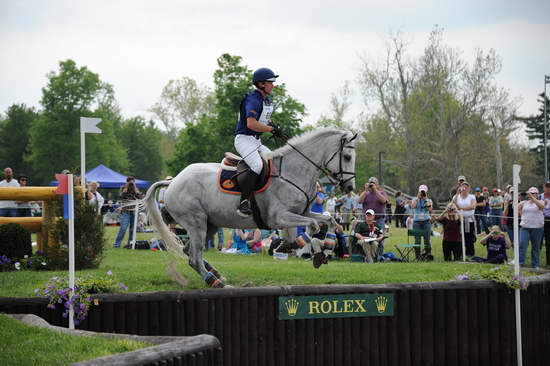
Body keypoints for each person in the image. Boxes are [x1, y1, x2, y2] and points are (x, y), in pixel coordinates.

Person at [234, 67, 283, 217]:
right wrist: (270, 129)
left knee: (275, 160)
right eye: (270, 82)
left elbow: (263, 120)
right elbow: (251, 124)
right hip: (243, 139)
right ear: (261, 84)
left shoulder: (264, 100)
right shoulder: (253, 99)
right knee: (257, 165)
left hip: (256, 141)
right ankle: (244, 202)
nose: (272, 85)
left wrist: (274, 127)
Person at [358, 177, 388, 255]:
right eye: (370, 183)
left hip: (379, 219)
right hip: (367, 220)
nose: (372, 185)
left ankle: (379, 255)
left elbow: (384, 201)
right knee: (367, 237)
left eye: (374, 183)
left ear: (377, 185)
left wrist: (375, 190)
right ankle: (367, 254)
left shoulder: (382, 192)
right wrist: (365, 190)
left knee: (380, 237)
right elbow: (359, 201)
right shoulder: (366, 193)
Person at [518, 187, 545, 268]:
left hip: (537, 228)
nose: (531, 195)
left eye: (533, 193)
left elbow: (542, 206)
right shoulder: (524, 203)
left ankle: (535, 264)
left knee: (535, 247)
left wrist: (533, 198)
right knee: (522, 245)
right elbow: (516, 208)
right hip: (525, 227)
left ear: (537, 194)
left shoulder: (540, 201)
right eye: (530, 193)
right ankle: (520, 262)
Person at [113, 177, 142, 248]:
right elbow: (121, 197)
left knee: (132, 229)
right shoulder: (123, 188)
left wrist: (136, 190)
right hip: (126, 211)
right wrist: (125, 189)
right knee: (123, 228)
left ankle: (130, 244)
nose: (131, 183)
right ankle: (117, 244)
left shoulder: (136, 189)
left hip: (134, 211)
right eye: (130, 182)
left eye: (132, 182)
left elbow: (140, 197)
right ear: (127, 182)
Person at [453, 181, 477, 257]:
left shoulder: (472, 196)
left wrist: (461, 208)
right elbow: (453, 204)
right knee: (458, 237)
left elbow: (473, 206)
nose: (464, 188)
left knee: (469, 238)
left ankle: (470, 254)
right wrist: (457, 193)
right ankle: (459, 254)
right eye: (463, 187)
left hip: (468, 221)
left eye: (466, 187)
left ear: (469, 188)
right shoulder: (456, 197)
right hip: (458, 220)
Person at [410, 184, 433, 259]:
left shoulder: (429, 200)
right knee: (417, 240)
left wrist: (425, 199)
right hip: (417, 222)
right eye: (421, 191)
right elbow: (413, 206)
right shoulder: (414, 199)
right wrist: (418, 198)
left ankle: (428, 255)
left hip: (426, 222)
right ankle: (418, 256)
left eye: (424, 192)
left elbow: (430, 209)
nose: (422, 193)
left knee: (427, 239)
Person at [540, 182, 550, 267]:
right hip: (540, 220)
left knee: (548, 242)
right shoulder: (540, 196)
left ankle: (548, 262)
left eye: (549, 187)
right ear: (544, 187)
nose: (548, 188)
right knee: (538, 242)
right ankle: (536, 262)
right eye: (546, 186)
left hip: (549, 220)